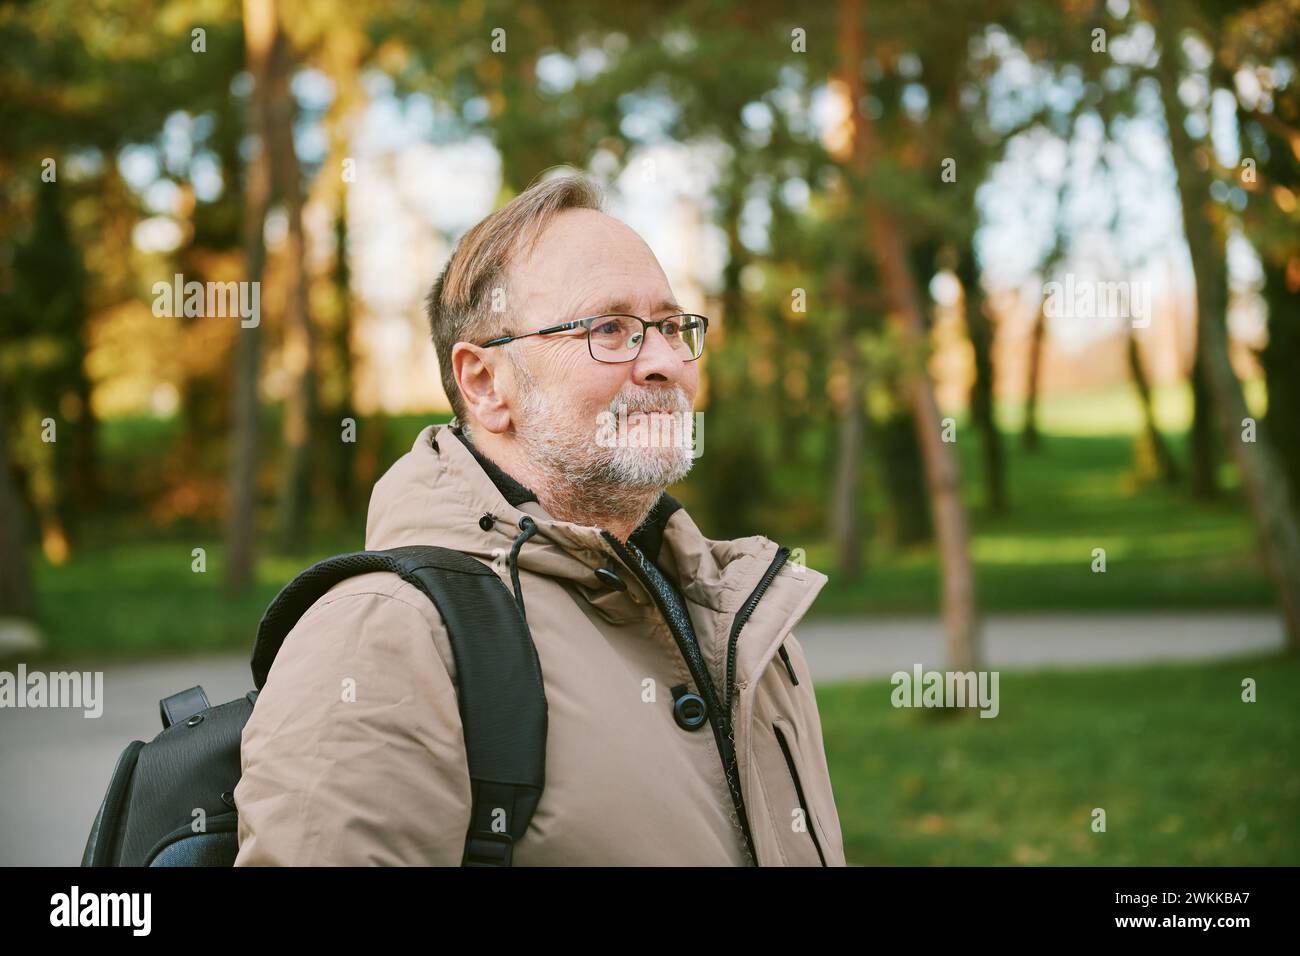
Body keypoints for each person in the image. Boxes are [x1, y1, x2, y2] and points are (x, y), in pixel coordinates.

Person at [233, 170, 846, 866]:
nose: (666, 362)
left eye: (672, 327)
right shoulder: (387, 633)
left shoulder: (739, 615)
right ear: (486, 383)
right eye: (611, 329)